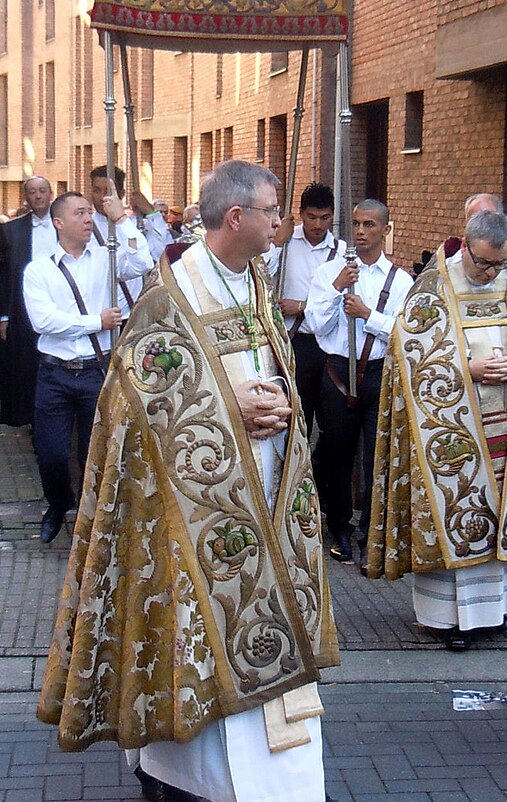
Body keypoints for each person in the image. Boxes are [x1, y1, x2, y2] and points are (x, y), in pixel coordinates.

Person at [36, 160, 339, 802]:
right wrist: (233, 411)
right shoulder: (168, 302)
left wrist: (279, 401)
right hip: (193, 513)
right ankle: (179, 770)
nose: (280, 221)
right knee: (195, 630)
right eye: (272, 209)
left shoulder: (254, 282)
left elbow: (272, 364)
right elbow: (132, 418)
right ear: (237, 218)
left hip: (265, 495)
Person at [365, 210, 507, 650]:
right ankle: (448, 620)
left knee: (500, 511)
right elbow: (406, 357)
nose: (491, 272)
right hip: (451, 428)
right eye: (483, 263)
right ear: (465, 246)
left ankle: (492, 612)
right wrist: (468, 368)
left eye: (499, 264)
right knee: (459, 508)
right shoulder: (433, 286)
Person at [22, 188, 153, 545]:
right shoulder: (39, 270)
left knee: (93, 452)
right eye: (79, 213)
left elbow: (142, 262)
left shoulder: (105, 259)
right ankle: (57, 504)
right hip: (54, 372)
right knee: (51, 452)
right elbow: (43, 321)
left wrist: (122, 219)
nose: (87, 218)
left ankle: (88, 517)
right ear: (58, 222)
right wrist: (96, 321)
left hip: (97, 370)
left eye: (89, 213)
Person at [305, 199, 412, 569]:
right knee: (336, 454)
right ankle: (340, 529)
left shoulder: (401, 280)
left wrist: (369, 316)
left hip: (380, 372)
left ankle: (370, 532)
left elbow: (405, 332)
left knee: (375, 459)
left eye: (369, 224)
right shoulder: (330, 271)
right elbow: (317, 326)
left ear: (385, 229)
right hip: (337, 371)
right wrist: (336, 290)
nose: (362, 232)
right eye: (356, 224)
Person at [265, 183, 346, 443]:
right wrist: (277, 244)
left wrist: (301, 306)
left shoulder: (343, 252)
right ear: (300, 213)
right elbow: (261, 275)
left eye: (325, 218)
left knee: (332, 421)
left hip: (331, 343)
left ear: (333, 216)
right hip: (296, 340)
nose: (318, 224)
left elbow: (345, 299)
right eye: (311, 217)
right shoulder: (286, 243)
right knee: (297, 415)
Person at [0, 176, 56, 427]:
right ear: (27, 197)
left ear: (51, 193)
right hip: (23, 310)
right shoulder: (11, 230)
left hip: (59, 304)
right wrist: (3, 315)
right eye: (32, 192)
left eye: (42, 190)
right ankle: (31, 418)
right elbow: (3, 276)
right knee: (26, 367)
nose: (38, 196)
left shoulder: (65, 225)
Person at [90, 165, 172, 322]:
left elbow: (161, 252)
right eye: (96, 190)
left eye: (107, 191)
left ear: (121, 193)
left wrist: (150, 212)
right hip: (101, 315)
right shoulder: (86, 225)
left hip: (133, 313)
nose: (101, 197)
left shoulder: (134, 224)